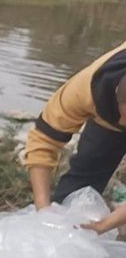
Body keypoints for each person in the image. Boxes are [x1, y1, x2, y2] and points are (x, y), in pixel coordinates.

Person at [26, 41, 126, 209]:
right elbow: (44, 139)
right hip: (107, 118)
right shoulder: (83, 90)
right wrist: (43, 209)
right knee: (83, 183)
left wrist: (108, 222)